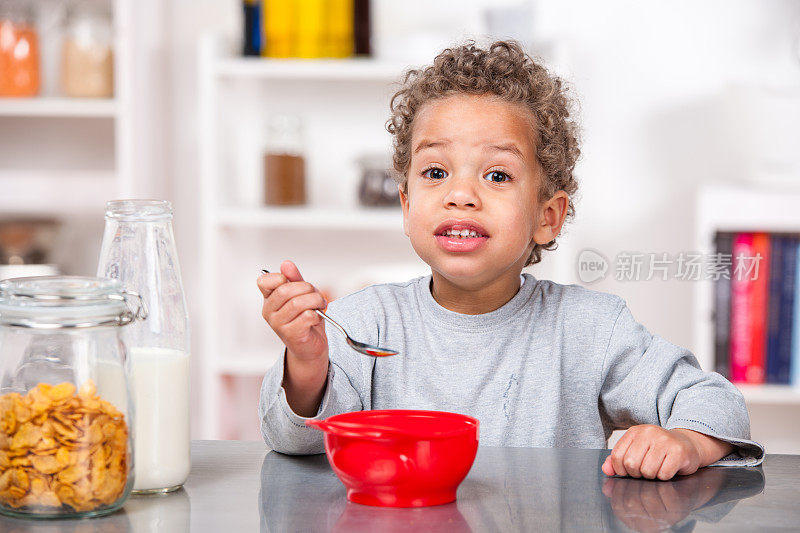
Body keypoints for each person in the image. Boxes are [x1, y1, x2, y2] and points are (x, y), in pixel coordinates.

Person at [256, 40, 763, 480]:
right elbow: (294, 440)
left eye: (496, 176)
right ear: (407, 207)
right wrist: (305, 361)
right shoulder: (358, 322)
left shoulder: (590, 330)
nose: (461, 194)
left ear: (547, 215)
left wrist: (688, 442)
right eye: (435, 172)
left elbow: (716, 401)